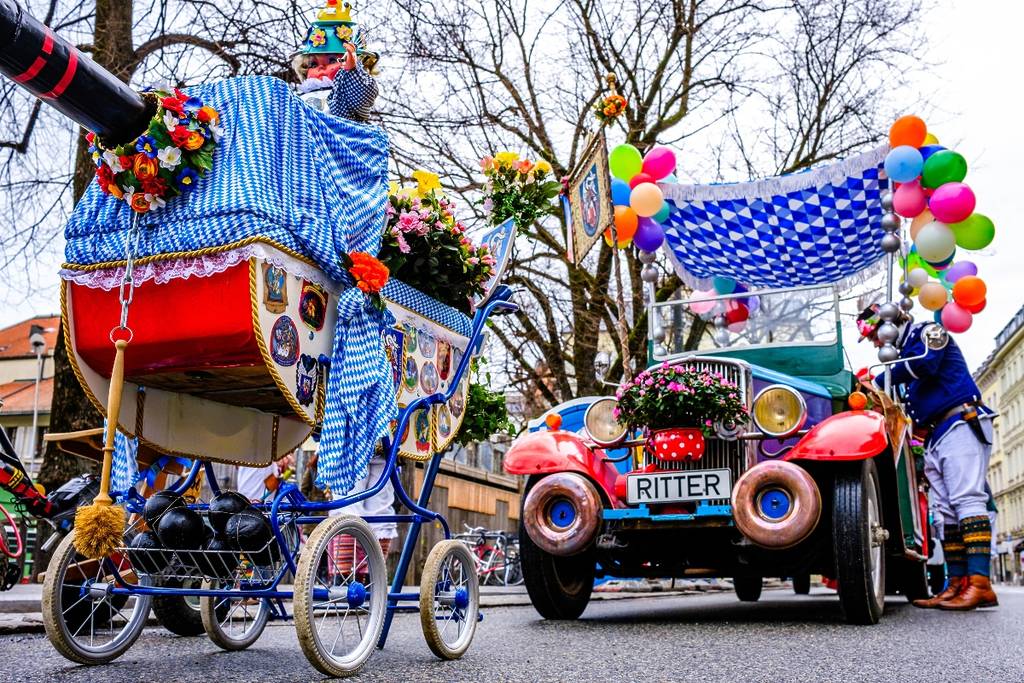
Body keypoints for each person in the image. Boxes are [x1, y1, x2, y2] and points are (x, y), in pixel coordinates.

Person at [858, 304, 997, 610]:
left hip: (960, 421)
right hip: (938, 431)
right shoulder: (905, 352)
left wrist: (880, 379)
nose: (876, 344)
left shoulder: (928, 333)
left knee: (967, 500)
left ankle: (980, 584)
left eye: (875, 336)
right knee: (946, 511)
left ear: (889, 325)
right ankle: (957, 584)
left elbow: (928, 365)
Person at [291, 1, 379, 121]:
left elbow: (364, 95)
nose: (321, 67)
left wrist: (351, 70)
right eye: (313, 64)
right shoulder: (296, 99)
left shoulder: (344, 98)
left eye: (332, 60)